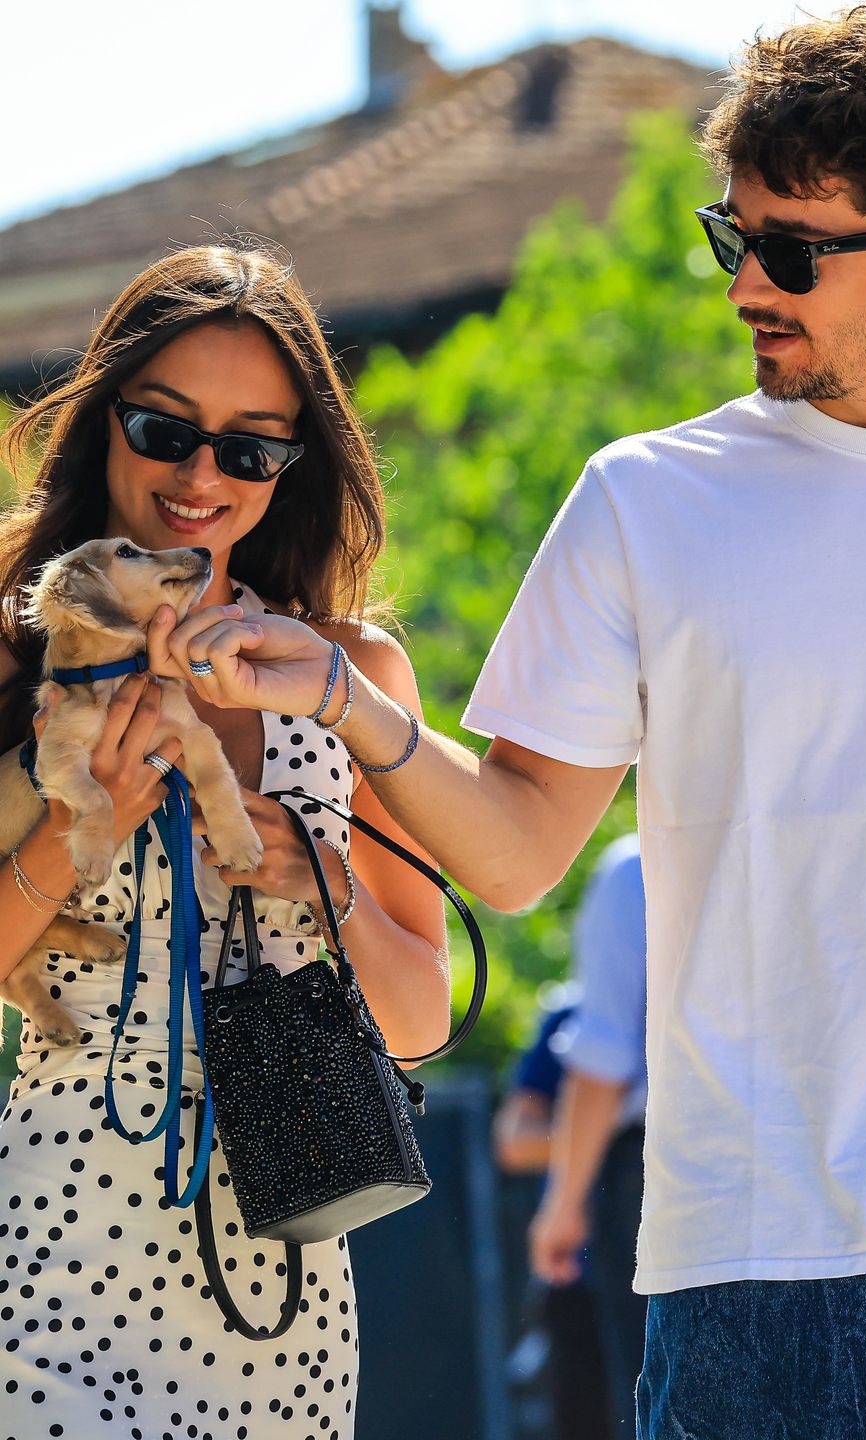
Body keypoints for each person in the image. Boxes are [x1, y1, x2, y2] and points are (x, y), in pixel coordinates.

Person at [142, 4, 866, 1433]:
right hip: (752, 1275)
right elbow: (516, 859)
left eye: (792, 251)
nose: (743, 285)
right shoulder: (649, 498)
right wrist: (341, 696)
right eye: (733, 235)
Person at [0, 244, 449, 1440]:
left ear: (289, 469)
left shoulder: (350, 673)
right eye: (166, 431)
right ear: (105, 425)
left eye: (250, 448)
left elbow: (422, 1021)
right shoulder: (15, 650)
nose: (204, 475)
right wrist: (74, 823)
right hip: (59, 1254)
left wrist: (327, 879)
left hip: (286, 1281)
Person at [527, 834, 647, 1435]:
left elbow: (603, 1057)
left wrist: (563, 1204)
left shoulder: (638, 866)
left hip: (664, 1171)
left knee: (660, 1391)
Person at [493, 989, 614, 1440]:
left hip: (691, 1277)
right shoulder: (572, 1014)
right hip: (580, 1280)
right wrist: (601, 1125)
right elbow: (514, 1140)